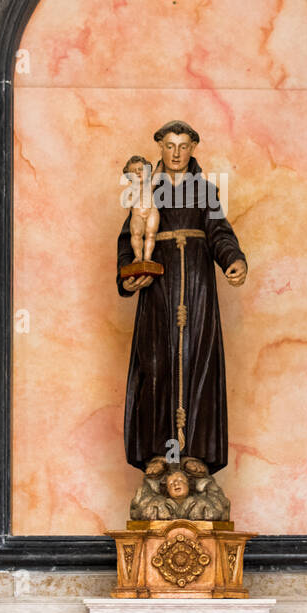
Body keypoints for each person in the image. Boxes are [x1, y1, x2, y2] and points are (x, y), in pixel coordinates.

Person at [117, 120, 247, 475]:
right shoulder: (144, 186)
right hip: (158, 290)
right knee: (157, 365)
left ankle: (195, 454)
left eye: (184, 146)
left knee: (197, 363)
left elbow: (219, 230)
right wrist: (127, 274)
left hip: (198, 290)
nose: (176, 153)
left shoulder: (205, 190)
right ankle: (158, 453)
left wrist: (233, 259)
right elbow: (130, 233)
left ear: (193, 149)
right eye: (170, 145)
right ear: (159, 146)